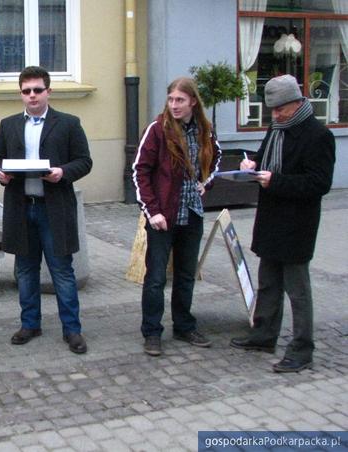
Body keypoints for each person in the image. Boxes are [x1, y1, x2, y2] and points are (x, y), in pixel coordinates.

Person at [230, 74, 335, 373]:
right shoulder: (277, 129)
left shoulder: (318, 135)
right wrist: (252, 166)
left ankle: (302, 349)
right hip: (271, 218)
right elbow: (265, 160)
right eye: (272, 110)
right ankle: (263, 334)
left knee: (298, 290)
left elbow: (319, 183)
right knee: (268, 283)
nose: (275, 115)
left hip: (297, 224)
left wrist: (276, 181)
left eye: (280, 109)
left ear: (297, 102)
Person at [0, 66, 92, 354]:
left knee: (62, 270)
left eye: (37, 90)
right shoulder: (8, 124)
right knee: (25, 270)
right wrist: (0, 173)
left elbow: (84, 161)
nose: (32, 95)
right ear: (20, 94)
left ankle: (72, 330)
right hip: (21, 209)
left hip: (54, 208)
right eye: (26, 91)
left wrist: (63, 172)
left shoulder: (68, 123)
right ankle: (30, 324)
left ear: (48, 91)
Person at [132, 77, 221, 357]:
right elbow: (139, 171)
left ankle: (184, 326)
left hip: (191, 213)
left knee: (185, 275)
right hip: (163, 216)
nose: (174, 105)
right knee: (156, 277)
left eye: (180, 100)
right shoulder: (157, 130)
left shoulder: (205, 130)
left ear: (193, 101)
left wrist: (205, 183)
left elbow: (215, 157)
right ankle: (152, 332)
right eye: (171, 99)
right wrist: (153, 211)